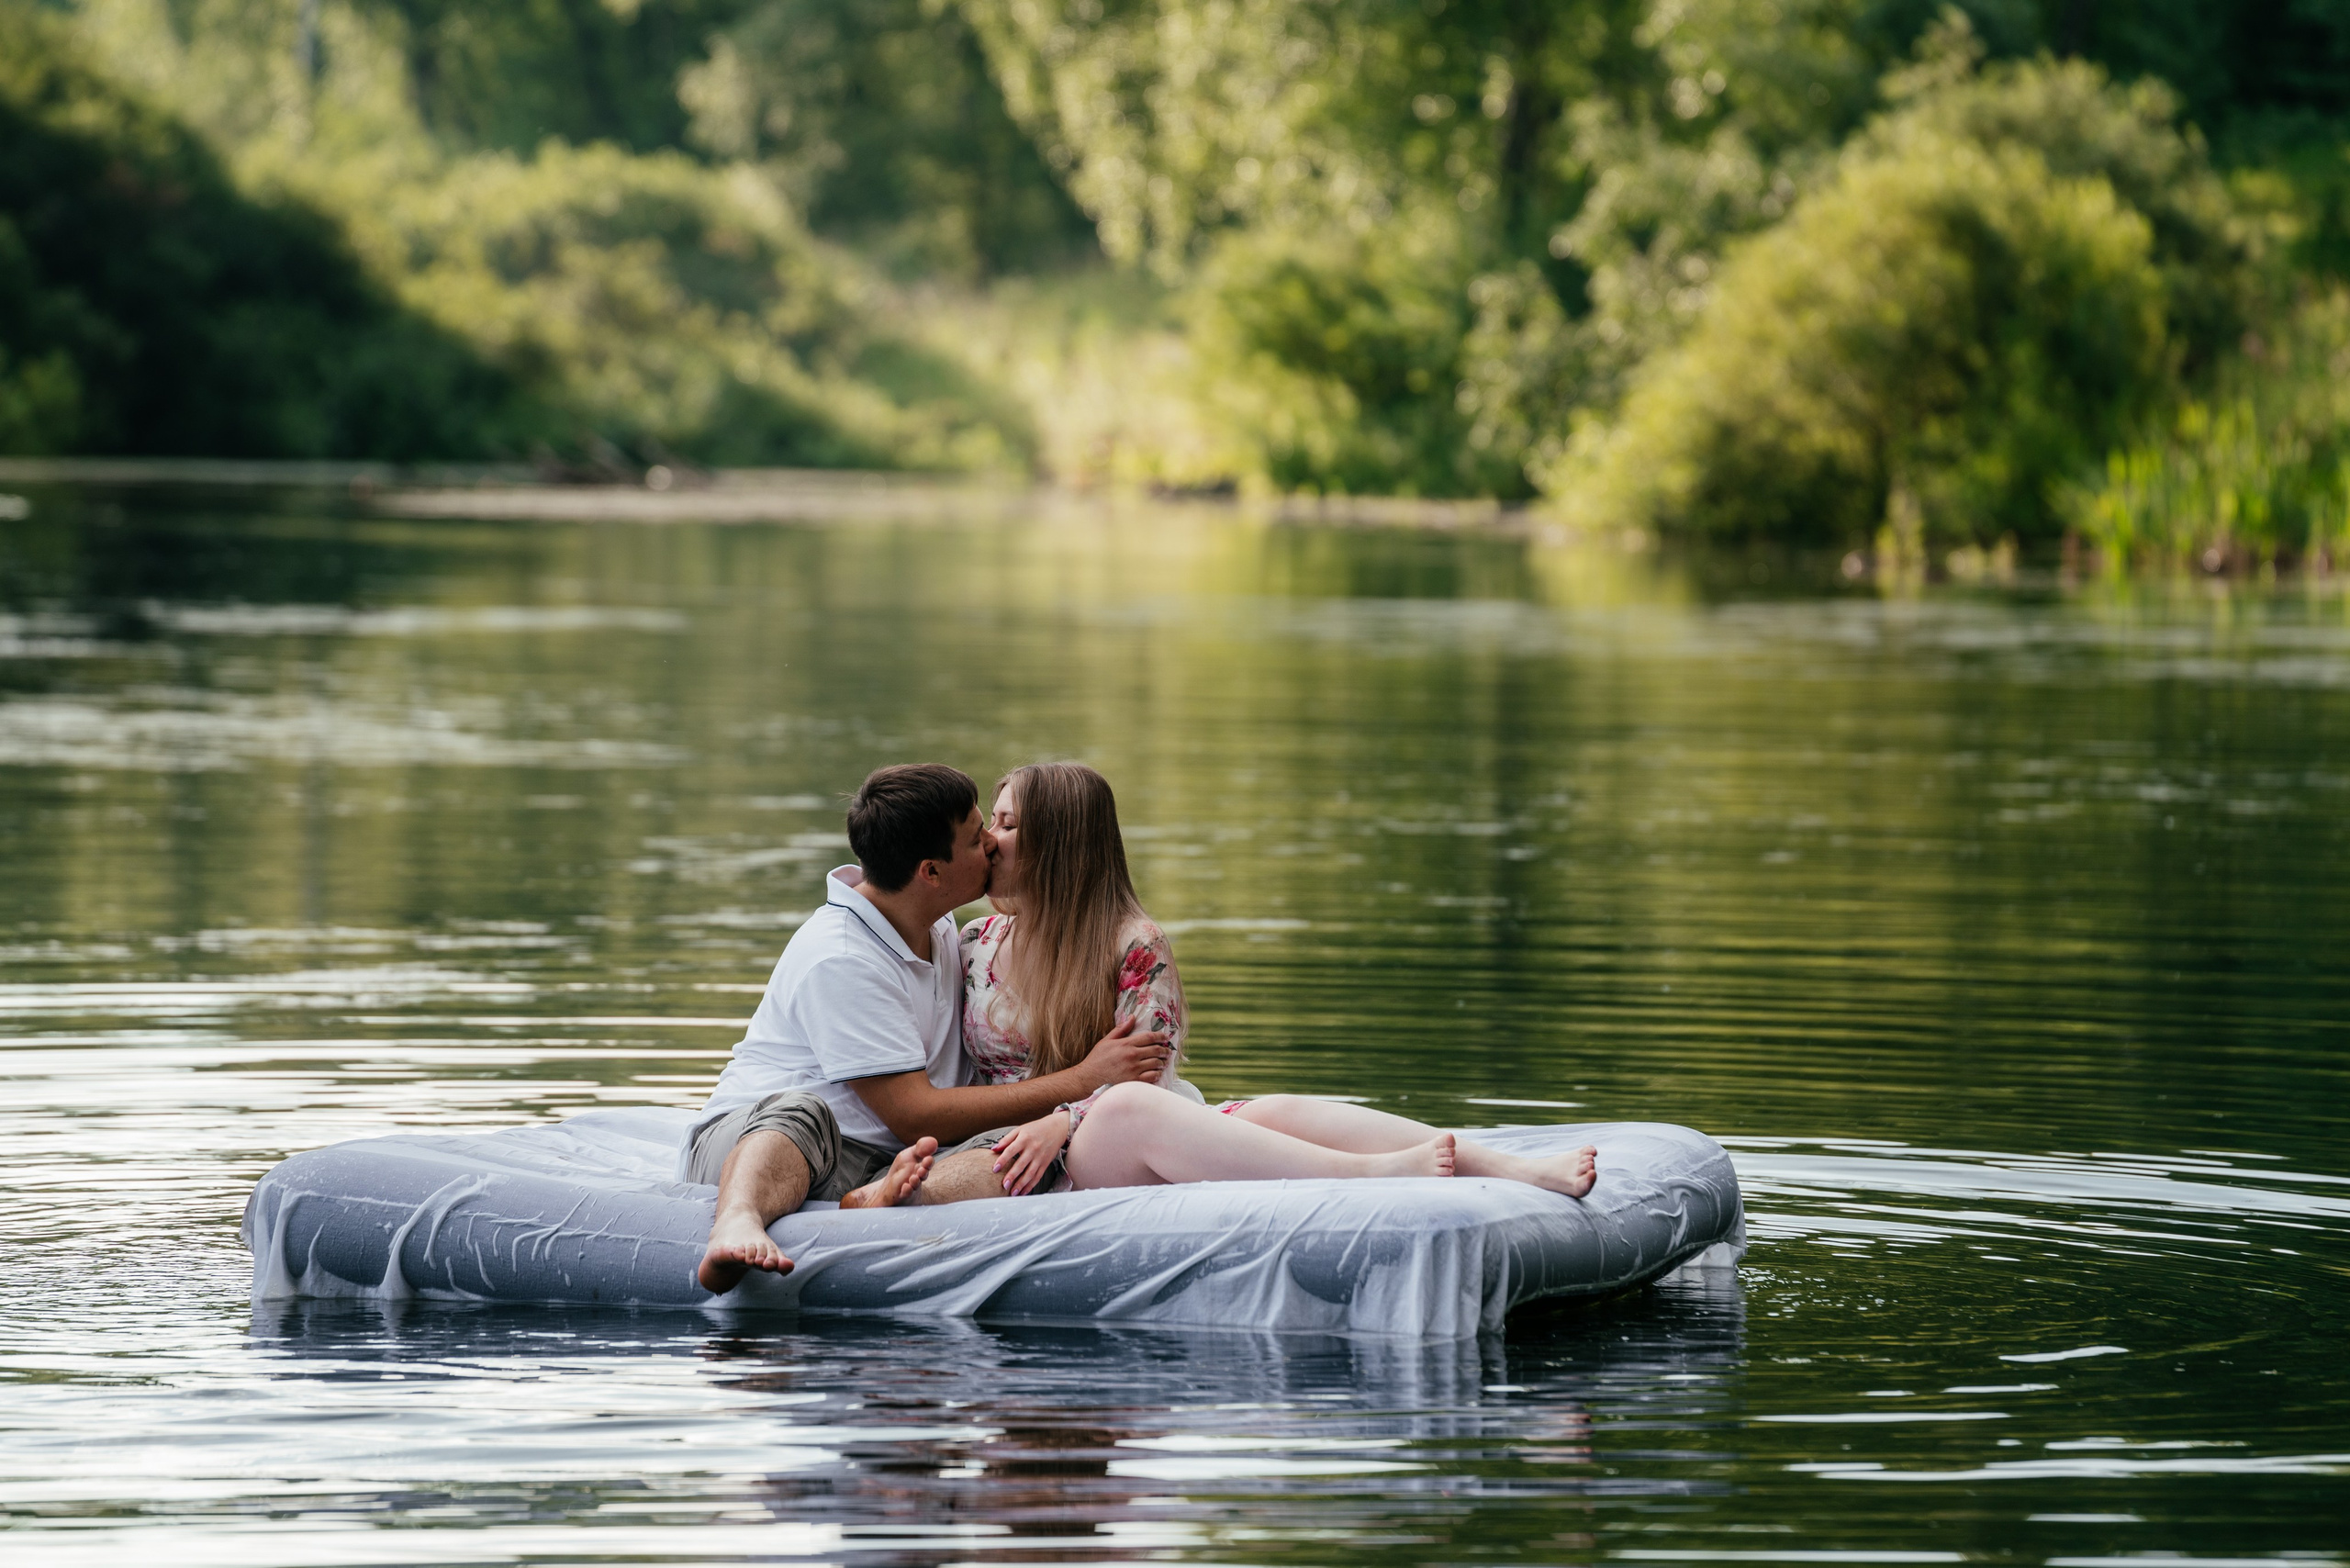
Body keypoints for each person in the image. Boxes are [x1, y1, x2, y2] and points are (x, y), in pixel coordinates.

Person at [857, 762, 1599, 1208]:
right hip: (1045, 1147)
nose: (989, 841)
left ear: (1060, 846)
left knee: (1267, 1109)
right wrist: (1062, 1119)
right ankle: (1369, 1176)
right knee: (1122, 1113)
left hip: (1096, 1131)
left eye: (1010, 827)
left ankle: (1503, 1165)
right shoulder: (976, 944)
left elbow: (1154, 1072)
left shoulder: (1131, 944)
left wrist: (1067, 1118)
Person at [684, 763, 1171, 1294]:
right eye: (974, 837)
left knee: (1019, 1149)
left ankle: (887, 1197)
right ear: (930, 873)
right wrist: (1083, 1080)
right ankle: (737, 1220)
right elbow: (913, 1112)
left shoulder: (943, 930)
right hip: (771, 1142)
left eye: (994, 826)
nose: (989, 844)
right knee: (803, 1112)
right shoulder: (841, 958)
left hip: (895, 1158)